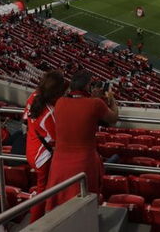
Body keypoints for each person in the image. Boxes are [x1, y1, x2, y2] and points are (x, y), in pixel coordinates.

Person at [45, 71, 118, 209]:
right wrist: (112, 98)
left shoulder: (60, 102)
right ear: (87, 87)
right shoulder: (95, 104)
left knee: (60, 206)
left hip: (59, 164)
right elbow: (113, 118)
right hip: (83, 164)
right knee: (84, 207)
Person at [25, 71, 67, 222]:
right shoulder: (50, 114)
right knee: (42, 192)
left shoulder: (33, 97)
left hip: (31, 149)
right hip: (42, 157)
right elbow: (58, 141)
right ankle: (34, 224)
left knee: (42, 189)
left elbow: (26, 118)